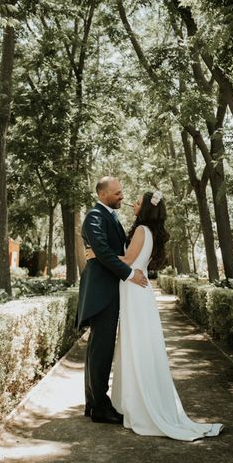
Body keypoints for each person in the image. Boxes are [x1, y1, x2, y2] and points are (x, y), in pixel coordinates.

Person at [87, 189, 223, 441]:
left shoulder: (141, 231)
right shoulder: (148, 232)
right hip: (136, 291)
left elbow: (127, 260)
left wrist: (97, 253)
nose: (132, 204)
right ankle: (133, 400)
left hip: (135, 293)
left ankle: (141, 405)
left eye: (137, 202)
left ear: (146, 209)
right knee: (136, 346)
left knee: (136, 347)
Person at [77, 176, 148, 424]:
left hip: (108, 291)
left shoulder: (111, 216)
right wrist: (129, 274)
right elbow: (105, 254)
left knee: (99, 350)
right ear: (103, 194)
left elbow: (111, 251)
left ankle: (93, 404)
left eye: (122, 192)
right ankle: (99, 407)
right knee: (101, 351)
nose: (122, 196)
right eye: (117, 193)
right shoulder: (94, 217)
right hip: (101, 293)